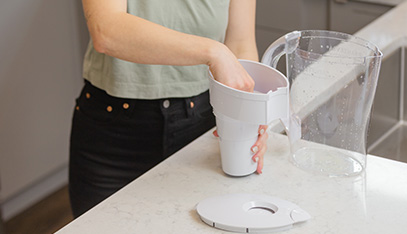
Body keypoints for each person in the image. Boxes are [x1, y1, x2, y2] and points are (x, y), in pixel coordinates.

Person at [69, 0, 267, 218]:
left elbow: (240, 44)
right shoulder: (214, 52)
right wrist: (214, 52)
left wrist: (246, 117)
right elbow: (106, 31)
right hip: (112, 139)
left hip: (202, 131)